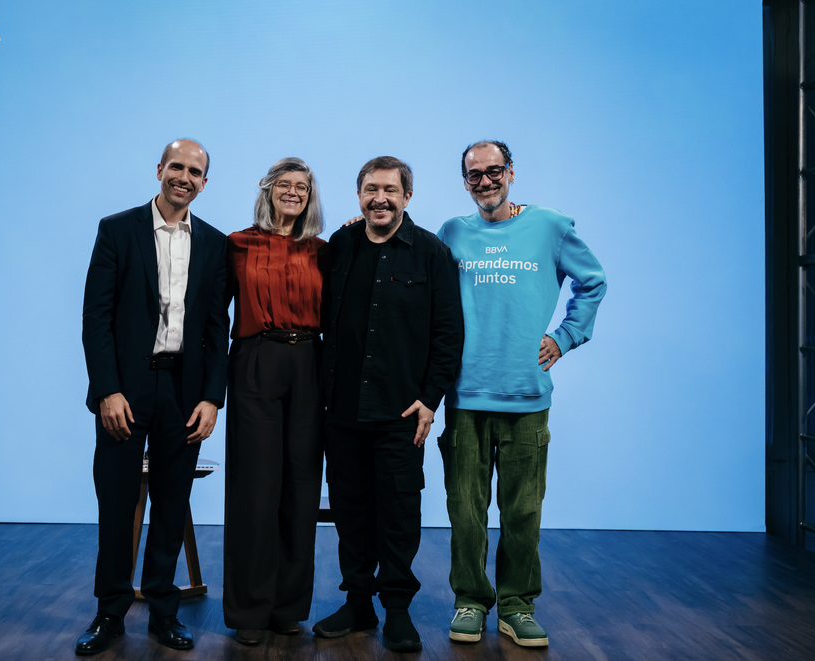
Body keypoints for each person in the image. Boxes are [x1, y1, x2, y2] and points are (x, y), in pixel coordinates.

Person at [436, 140, 606, 648]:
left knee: (523, 511)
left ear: (511, 173)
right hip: (465, 396)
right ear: (464, 182)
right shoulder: (451, 233)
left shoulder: (550, 226)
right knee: (466, 511)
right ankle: (470, 600)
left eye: (494, 171)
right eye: (475, 174)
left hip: (526, 395)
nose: (485, 181)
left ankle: (516, 605)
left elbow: (593, 281)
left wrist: (566, 336)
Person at [77, 139, 229, 654]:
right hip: (126, 390)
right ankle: (109, 612)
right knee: (117, 504)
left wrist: (212, 398)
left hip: (185, 392)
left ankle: (164, 610)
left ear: (204, 183)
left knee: (171, 503)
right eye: (176, 167)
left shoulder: (215, 243)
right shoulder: (117, 229)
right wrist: (107, 390)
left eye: (195, 172)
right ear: (160, 169)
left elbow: (217, 328)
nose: (184, 177)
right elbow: (96, 317)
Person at [315, 156, 464, 652]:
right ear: (359, 195)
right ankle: (358, 604)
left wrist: (429, 399)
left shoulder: (432, 253)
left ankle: (397, 610)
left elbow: (448, 333)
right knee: (350, 512)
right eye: (370, 189)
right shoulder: (341, 245)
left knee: (398, 513)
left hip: (401, 413)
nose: (380, 198)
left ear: (407, 196)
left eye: (390, 190)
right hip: (342, 411)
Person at [222, 157, 327, 646]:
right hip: (255, 360)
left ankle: (287, 607)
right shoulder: (237, 244)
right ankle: (250, 608)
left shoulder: (324, 250)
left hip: (308, 362)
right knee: (255, 488)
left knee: (302, 487)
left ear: (310, 196)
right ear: (267, 191)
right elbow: (210, 313)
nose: (292, 193)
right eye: (284, 184)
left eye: (301, 187)